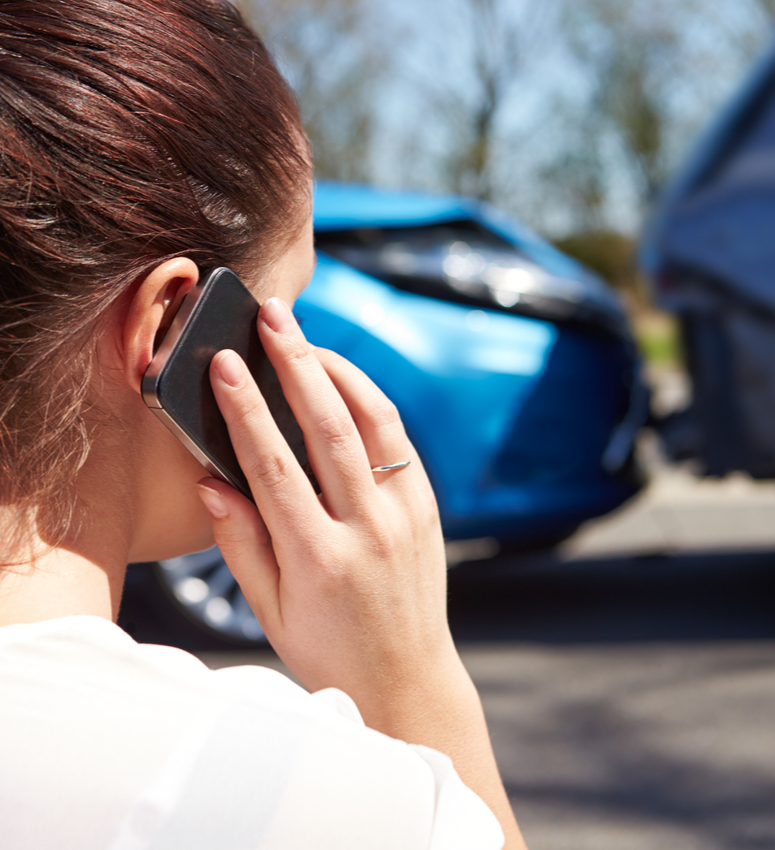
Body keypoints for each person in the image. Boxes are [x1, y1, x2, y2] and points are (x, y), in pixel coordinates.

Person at [0, 2, 526, 848]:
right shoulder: (291, 792)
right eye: (288, 307)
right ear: (171, 325)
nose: (299, 358)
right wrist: (415, 688)